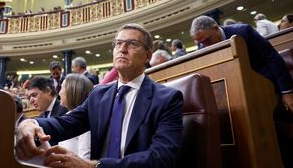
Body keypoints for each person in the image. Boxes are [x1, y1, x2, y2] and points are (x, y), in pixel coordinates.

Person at [15, 23, 184, 168]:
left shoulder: (167, 98)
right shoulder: (99, 95)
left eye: (132, 44)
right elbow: (65, 123)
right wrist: (31, 122)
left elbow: (162, 158)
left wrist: (93, 166)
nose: (122, 49)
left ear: (148, 55)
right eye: (118, 44)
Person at [190, 15, 293, 115]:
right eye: (201, 43)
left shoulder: (243, 32)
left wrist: (287, 92)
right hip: (236, 94)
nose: (206, 46)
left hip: (265, 86)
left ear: (216, 28)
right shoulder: (203, 47)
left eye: (208, 40)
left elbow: (272, 58)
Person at [58, 74, 93, 159]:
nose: (59, 93)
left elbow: (84, 159)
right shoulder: (68, 114)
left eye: (62, 88)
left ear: (72, 92)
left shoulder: (84, 121)